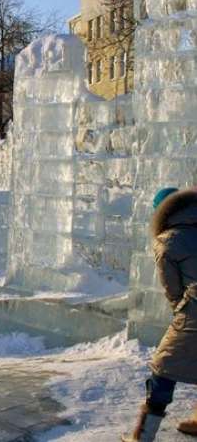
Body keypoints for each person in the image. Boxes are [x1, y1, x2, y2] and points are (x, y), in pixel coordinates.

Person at [123, 187, 197, 441]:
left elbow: (172, 290)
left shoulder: (167, 240)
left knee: (164, 366)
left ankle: (143, 436)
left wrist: (182, 312)